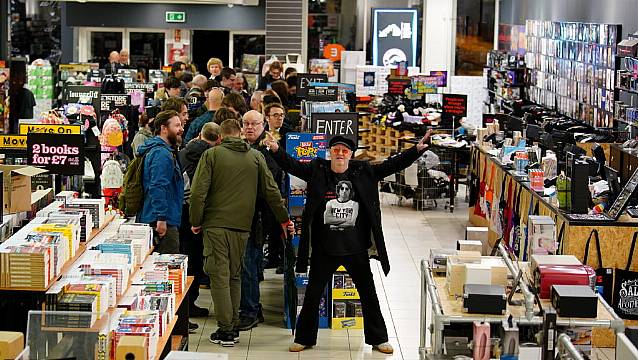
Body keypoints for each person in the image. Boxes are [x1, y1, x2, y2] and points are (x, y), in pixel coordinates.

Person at [262, 130, 432, 354]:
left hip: (356, 248)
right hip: (325, 248)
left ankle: (379, 338)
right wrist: (275, 149)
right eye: (336, 151)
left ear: (351, 154)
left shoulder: (363, 171)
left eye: (344, 151)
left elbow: (392, 165)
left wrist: (416, 150)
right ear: (329, 153)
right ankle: (304, 338)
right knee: (313, 295)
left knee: (369, 295)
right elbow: (292, 165)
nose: (340, 154)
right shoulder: (317, 170)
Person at [189, 119, 291, 347]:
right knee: (235, 276)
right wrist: (284, 219)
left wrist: (196, 221)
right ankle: (233, 323)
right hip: (244, 228)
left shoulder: (212, 156)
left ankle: (226, 331)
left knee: (219, 277)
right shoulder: (256, 157)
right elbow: (271, 191)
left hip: (215, 225)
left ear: (221, 137)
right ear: (241, 134)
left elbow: (197, 193)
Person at [236, 110, 288, 331]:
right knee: (252, 263)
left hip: (258, 215)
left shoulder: (267, 147)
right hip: (248, 213)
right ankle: (252, 307)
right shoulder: (243, 146)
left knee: (248, 263)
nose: (249, 127)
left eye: (254, 124)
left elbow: (271, 181)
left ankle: (250, 310)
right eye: (246, 123)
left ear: (263, 124)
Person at [179, 122, 221, 318]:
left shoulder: (183, 152)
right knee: (195, 260)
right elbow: (202, 189)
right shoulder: (209, 157)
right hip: (195, 215)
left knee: (185, 258)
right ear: (217, 139)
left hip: (178, 212)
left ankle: (184, 303)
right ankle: (190, 304)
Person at [136, 110, 185, 254]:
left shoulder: (160, 150)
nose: (181, 129)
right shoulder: (162, 154)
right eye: (176, 126)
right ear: (164, 128)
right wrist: (161, 218)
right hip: (161, 222)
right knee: (167, 270)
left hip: (157, 217)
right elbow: (158, 186)